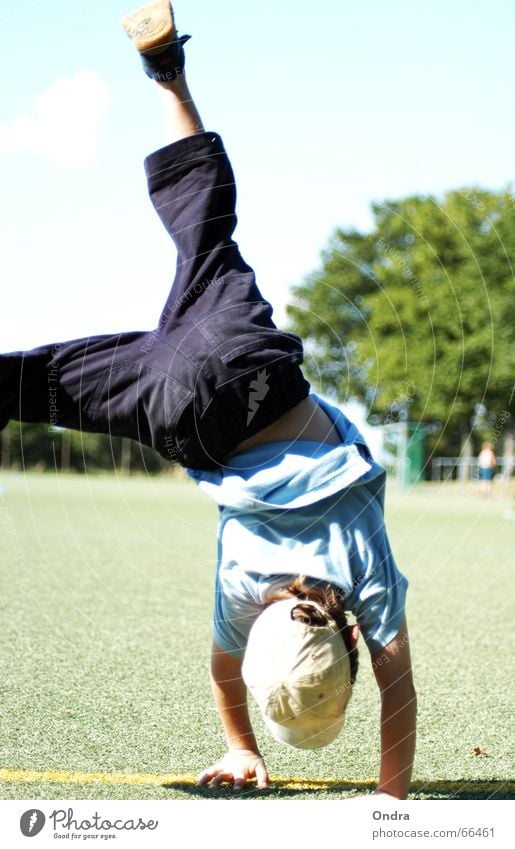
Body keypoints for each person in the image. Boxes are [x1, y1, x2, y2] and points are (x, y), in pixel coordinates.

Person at [0, 1, 416, 798]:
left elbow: (399, 694)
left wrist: (393, 797)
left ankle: (166, 74)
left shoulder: (363, 569)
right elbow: (225, 669)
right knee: (37, 386)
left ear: (349, 643)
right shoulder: (239, 593)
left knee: (207, 224)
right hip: (176, 409)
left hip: (250, 364)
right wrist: (245, 748)